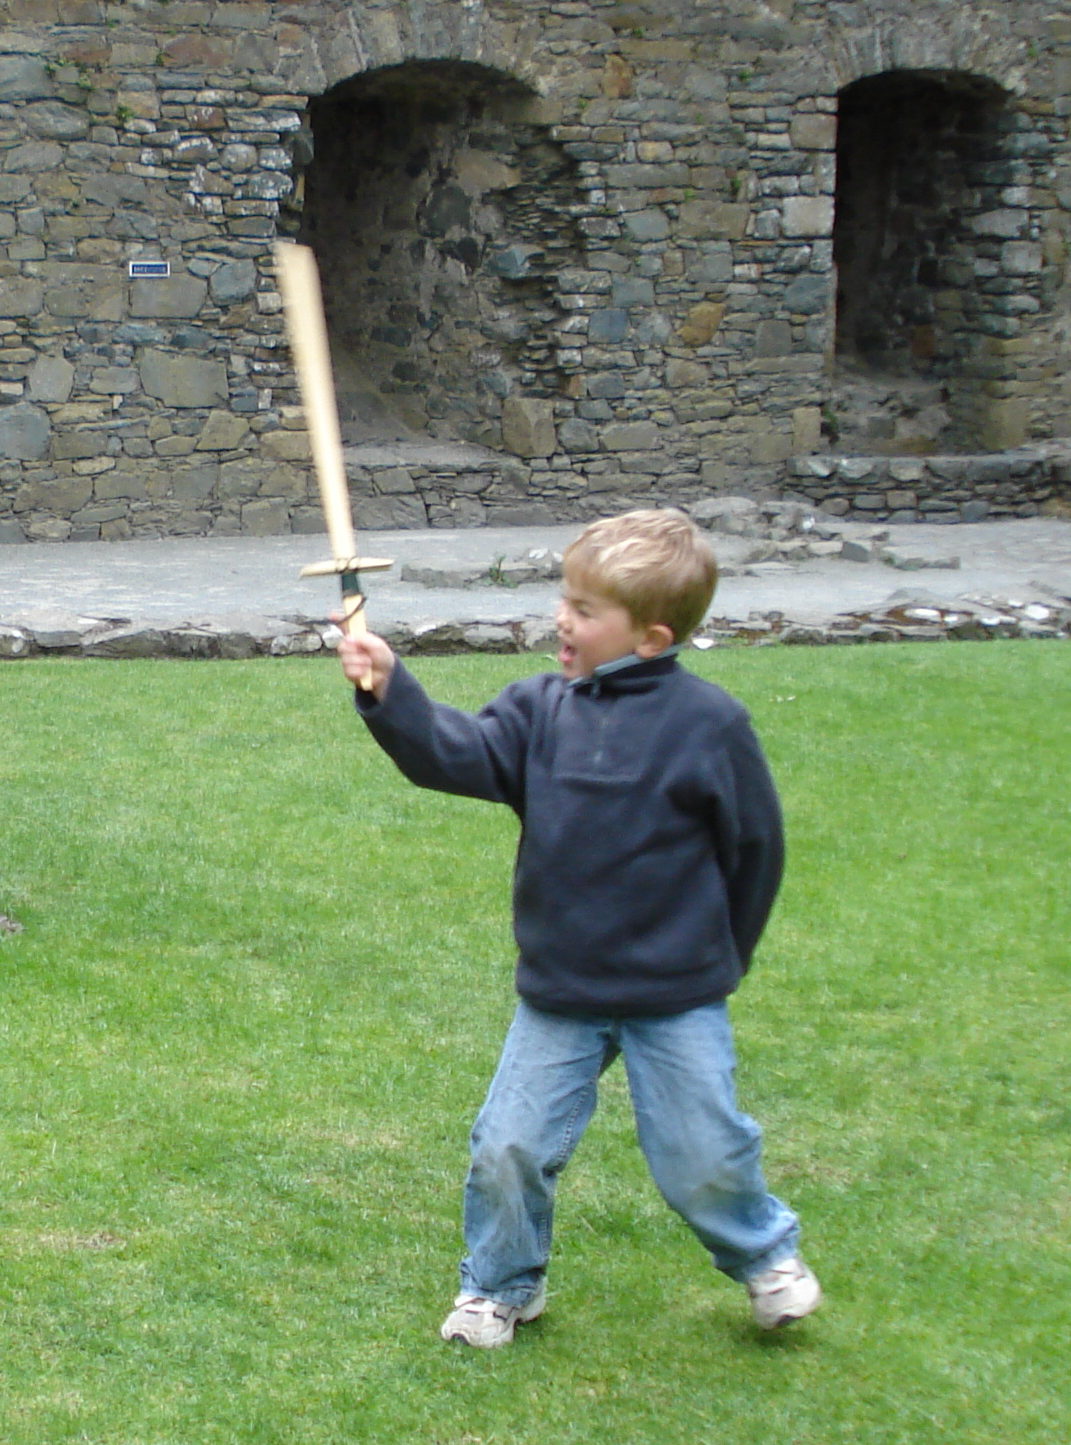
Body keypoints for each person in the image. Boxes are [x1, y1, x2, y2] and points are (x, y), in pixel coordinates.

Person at [336, 508, 820, 1348]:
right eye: (567, 599)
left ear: (652, 636)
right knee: (509, 1146)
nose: (563, 618)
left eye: (588, 610)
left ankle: (765, 1256)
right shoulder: (538, 713)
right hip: (562, 988)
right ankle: (500, 1286)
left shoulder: (711, 727)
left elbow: (755, 852)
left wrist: (719, 959)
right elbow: (456, 752)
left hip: (676, 994)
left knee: (702, 1151)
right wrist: (390, 688)